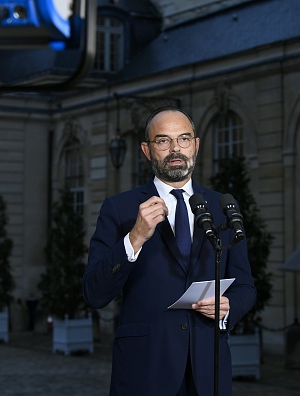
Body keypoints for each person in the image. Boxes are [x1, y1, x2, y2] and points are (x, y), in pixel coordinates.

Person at [83, 106, 256, 395]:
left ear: (196, 145)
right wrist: (135, 237)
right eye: (163, 141)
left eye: (184, 139)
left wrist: (229, 307)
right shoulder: (119, 208)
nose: (175, 148)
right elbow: (94, 292)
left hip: (208, 370)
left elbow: (246, 286)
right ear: (147, 150)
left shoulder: (222, 206)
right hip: (145, 369)